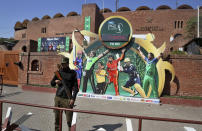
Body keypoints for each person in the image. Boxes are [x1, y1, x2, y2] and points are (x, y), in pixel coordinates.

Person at [50, 57, 78, 131]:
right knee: (57, 120)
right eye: (62, 64)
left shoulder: (73, 73)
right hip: (58, 98)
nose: (63, 65)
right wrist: (55, 82)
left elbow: (76, 88)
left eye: (64, 64)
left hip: (68, 99)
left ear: (67, 64)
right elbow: (52, 83)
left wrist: (73, 99)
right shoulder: (58, 72)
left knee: (69, 121)